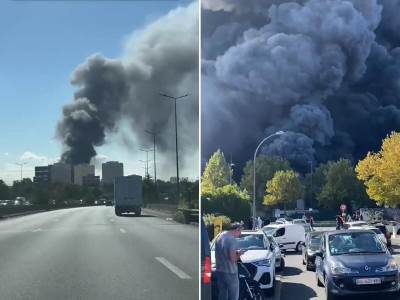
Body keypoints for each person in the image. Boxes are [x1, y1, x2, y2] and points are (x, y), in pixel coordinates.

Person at [215, 222, 245, 300]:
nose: (240, 234)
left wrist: (236, 253)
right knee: (234, 295)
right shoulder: (232, 240)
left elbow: (223, 252)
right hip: (230, 272)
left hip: (219, 270)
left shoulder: (220, 236)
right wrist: (240, 254)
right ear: (236, 230)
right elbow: (233, 259)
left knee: (222, 293)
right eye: (240, 231)